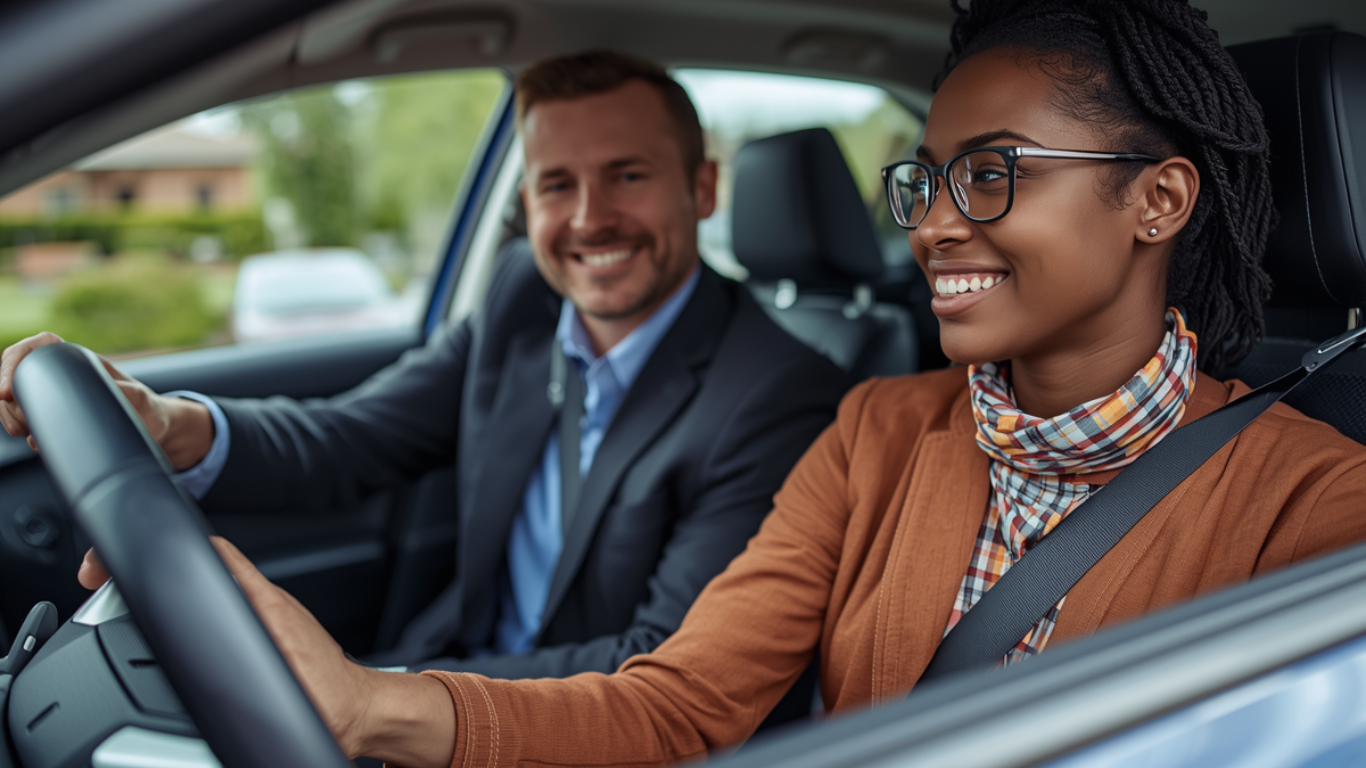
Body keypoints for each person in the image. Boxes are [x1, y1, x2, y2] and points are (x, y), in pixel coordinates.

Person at [37, 0, 1366, 765]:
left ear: (1158, 200)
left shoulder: (1319, 514)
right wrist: (371, 706)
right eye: (925, 177)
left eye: (992, 175)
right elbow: (679, 703)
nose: (932, 225)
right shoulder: (879, 427)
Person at [0, 51, 849, 683]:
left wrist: (385, 699)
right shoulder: (524, 295)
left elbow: (658, 662)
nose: (590, 219)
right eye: (557, 185)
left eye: (627, 175)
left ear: (701, 189)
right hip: (441, 667)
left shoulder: (779, 394)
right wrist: (177, 426)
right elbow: (357, 436)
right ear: (526, 204)